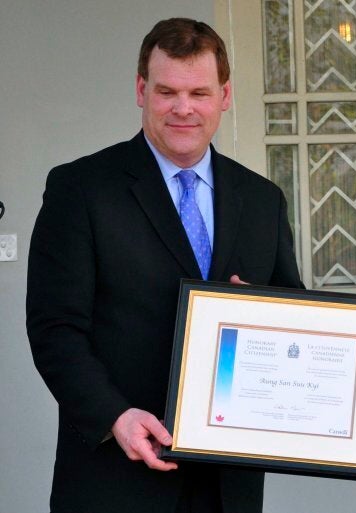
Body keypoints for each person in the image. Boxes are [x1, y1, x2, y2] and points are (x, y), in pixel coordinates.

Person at [26, 18, 302, 513]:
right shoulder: (81, 189)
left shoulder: (263, 200)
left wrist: (261, 312)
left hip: (228, 485)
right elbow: (55, 328)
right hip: (117, 474)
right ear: (141, 90)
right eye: (166, 91)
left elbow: (294, 318)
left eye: (199, 91)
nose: (183, 107)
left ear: (224, 95)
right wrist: (115, 417)